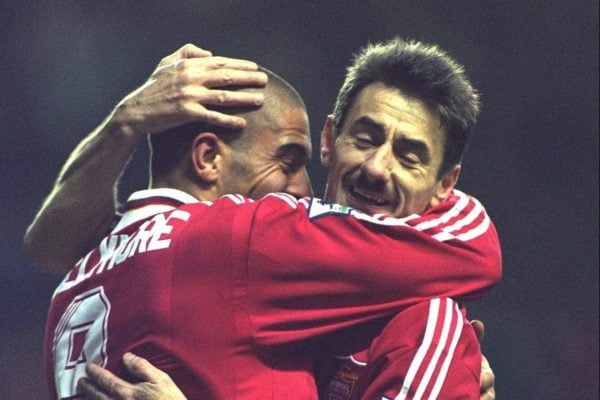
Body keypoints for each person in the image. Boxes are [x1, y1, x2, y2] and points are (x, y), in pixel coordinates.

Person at [30, 39, 501, 399]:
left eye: (409, 155)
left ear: (445, 179)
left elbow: (46, 246)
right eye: (287, 160)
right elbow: (475, 246)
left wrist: (124, 122)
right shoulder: (246, 237)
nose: (301, 190)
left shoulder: (70, 291)